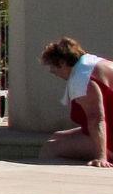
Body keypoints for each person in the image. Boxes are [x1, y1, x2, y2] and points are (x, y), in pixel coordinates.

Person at [39, 37, 113, 167]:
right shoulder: (93, 63)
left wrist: (101, 157)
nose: (51, 71)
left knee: (51, 147)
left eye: (52, 66)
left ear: (62, 63)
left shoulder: (81, 77)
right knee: (58, 136)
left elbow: (96, 118)